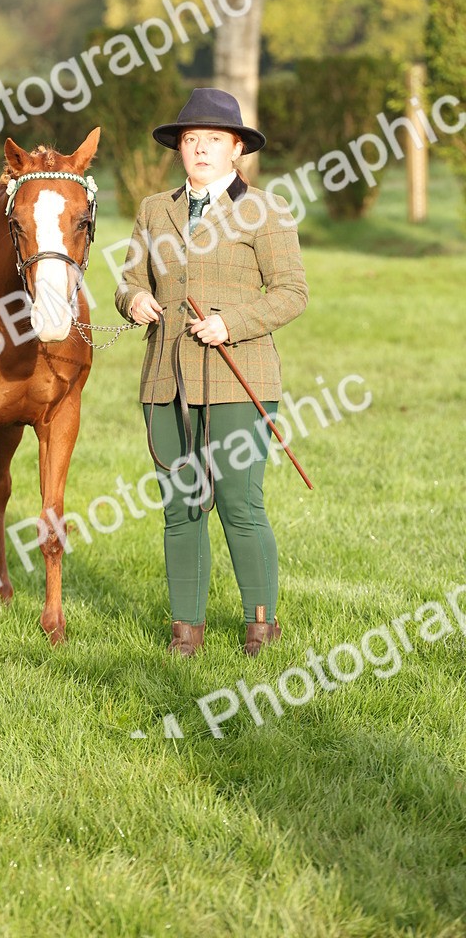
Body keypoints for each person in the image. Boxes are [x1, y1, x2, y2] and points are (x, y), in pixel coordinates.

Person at [114, 88, 308, 657]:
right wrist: (132, 302)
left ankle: (260, 625)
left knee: (239, 503)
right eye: (190, 141)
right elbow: (129, 279)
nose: (200, 150)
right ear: (180, 149)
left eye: (213, 141)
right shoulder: (155, 209)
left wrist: (233, 323)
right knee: (181, 506)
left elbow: (293, 293)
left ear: (236, 150)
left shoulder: (266, 210)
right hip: (164, 379)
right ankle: (186, 632)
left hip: (238, 374)